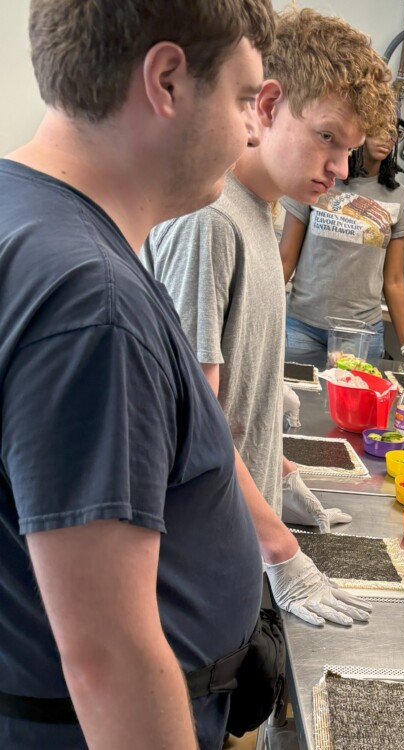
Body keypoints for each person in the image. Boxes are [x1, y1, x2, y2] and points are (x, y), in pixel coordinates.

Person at [0, 1, 275, 747]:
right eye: (247, 98)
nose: (254, 130)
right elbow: (109, 656)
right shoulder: (92, 299)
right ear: (167, 82)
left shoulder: (25, 213)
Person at [142, 8, 393, 629]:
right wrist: (281, 550)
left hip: (236, 534)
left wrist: (276, 473)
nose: (338, 169)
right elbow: (191, 426)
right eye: (328, 137)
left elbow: (230, 401)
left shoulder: (262, 212)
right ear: (270, 103)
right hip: (192, 563)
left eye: (351, 151)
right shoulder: (209, 221)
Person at [279, 117, 404, 368]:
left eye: (394, 131)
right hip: (302, 327)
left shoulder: (400, 198)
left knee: (351, 407)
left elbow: (394, 279)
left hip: (359, 335)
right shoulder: (319, 180)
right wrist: (258, 317)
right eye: (378, 127)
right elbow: (285, 259)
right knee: (294, 403)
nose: (387, 136)